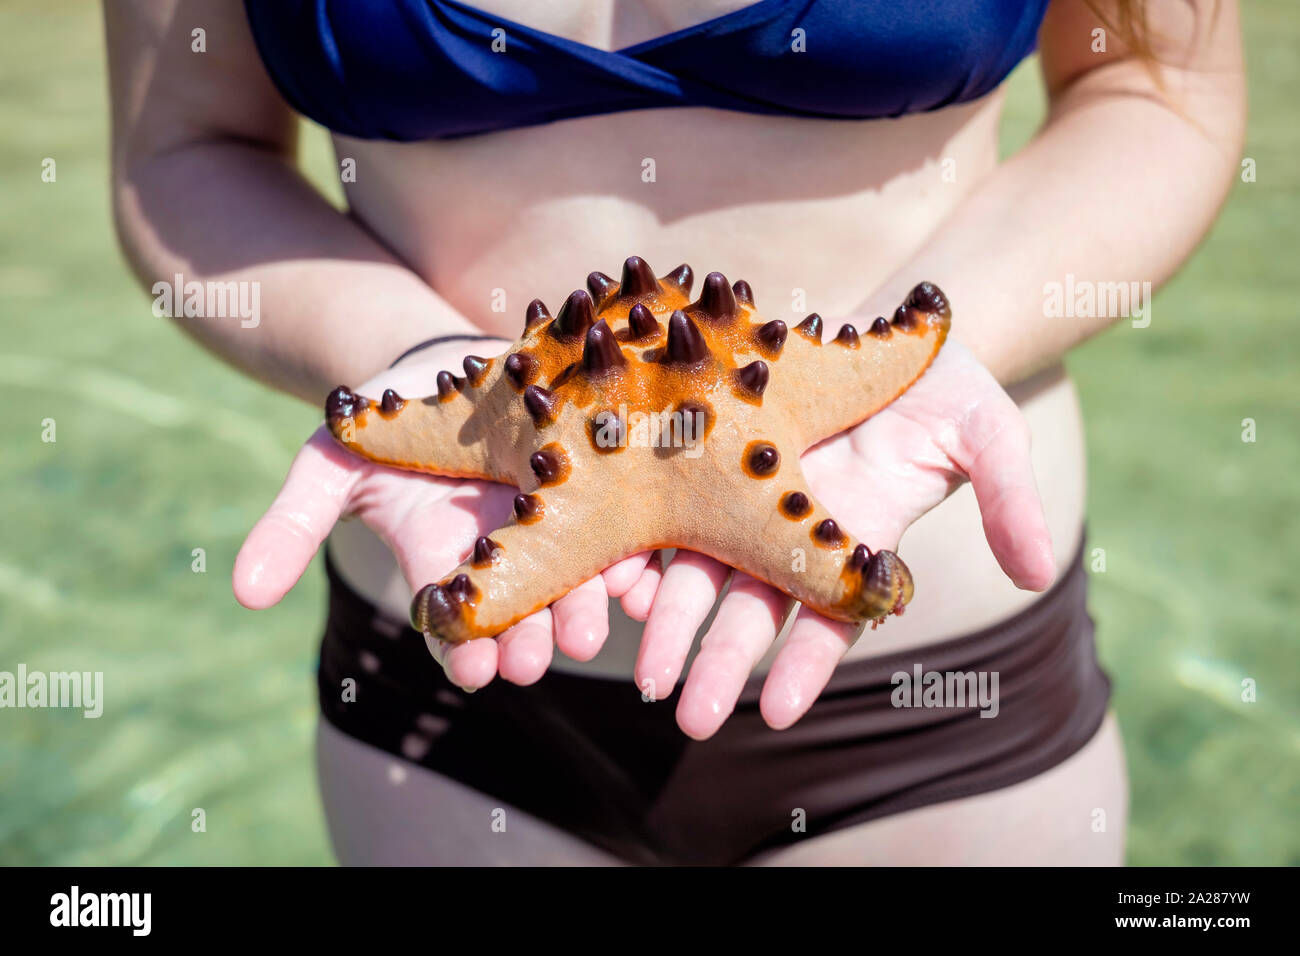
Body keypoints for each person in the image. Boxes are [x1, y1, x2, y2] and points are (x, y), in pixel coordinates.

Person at [105, 0, 1245, 865]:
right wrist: (407, 362)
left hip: (933, 713)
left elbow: (1153, 84)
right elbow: (185, 146)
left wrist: (928, 350)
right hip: (452, 701)